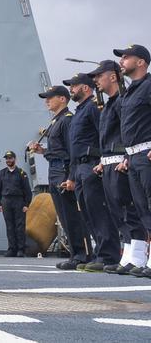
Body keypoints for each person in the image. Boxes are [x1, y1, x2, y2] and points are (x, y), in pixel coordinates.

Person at [91, 59, 149, 274]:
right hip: (109, 163)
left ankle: (139, 256)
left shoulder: (122, 101)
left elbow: (128, 133)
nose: (96, 80)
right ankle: (129, 255)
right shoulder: (108, 104)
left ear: (113, 77)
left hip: (122, 162)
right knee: (119, 213)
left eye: (99, 75)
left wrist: (125, 156)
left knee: (131, 210)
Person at [63, 72, 120, 271]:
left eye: (74, 85)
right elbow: (74, 146)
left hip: (92, 164)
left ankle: (109, 255)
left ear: (85, 88)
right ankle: (99, 253)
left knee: (99, 211)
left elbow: (104, 134)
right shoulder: (79, 111)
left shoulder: (93, 108)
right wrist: (71, 176)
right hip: (79, 167)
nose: (71, 89)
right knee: (88, 212)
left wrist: (103, 161)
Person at [29, 85, 88, 270]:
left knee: (71, 215)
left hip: (63, 171)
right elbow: (58, 150)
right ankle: (75, 254)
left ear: (62, 99)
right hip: (54, 170)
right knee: (63, 216)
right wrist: (43, 151)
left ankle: (82, 255)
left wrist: (71, 177)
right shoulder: (56, 121)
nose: (47, 101)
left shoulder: (67, 120)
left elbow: (72, 152)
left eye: (50, 97)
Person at [115, 44, 151, 276]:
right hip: (134, 156)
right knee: (141, 208)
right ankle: (142, 259)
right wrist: (127, 155)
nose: (122, 61)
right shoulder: (130, 92)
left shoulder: (149, 86)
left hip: (148, 153)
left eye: (126, 57)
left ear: (141, 62)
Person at [0, 150, 32, 257]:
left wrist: (26, 204)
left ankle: (21, 249)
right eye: (7, 158)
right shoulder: (1, 173)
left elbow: (27, 190)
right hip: (6, 201)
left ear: (15, 159)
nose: (8, 160)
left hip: (18, 201)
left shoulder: (21, 173)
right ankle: (12, 249)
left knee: (20, 226)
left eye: (10, 158)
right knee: (9, 226)